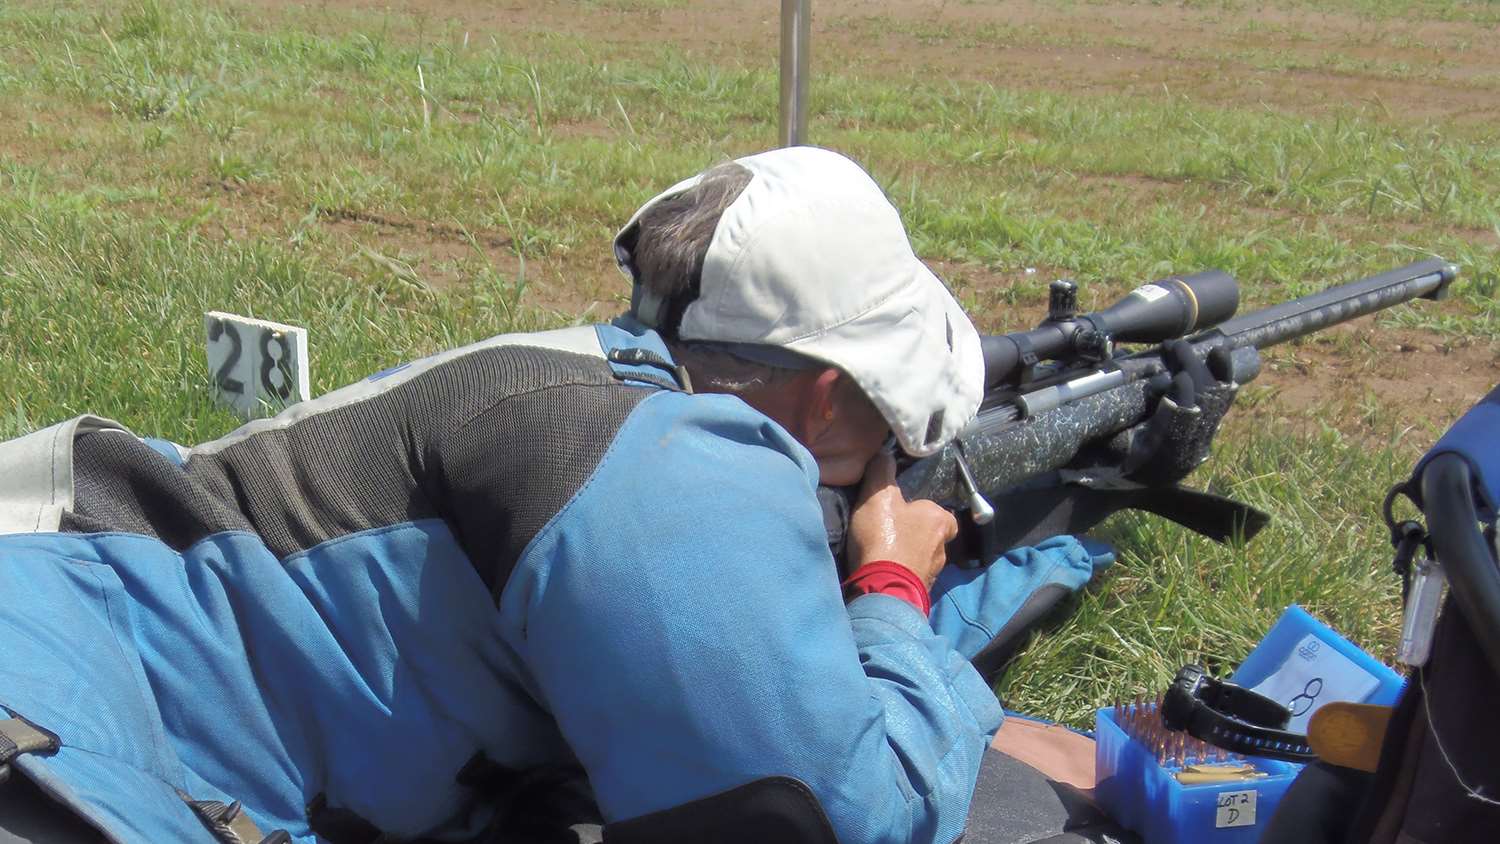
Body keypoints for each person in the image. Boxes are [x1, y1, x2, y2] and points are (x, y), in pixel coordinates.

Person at [0, 146, 1116, 844]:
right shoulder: (676, 473)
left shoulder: (594, 381)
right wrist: (890, 585)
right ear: (826, 401)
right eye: (888, 421)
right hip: (70, 718)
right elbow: (843, 815)